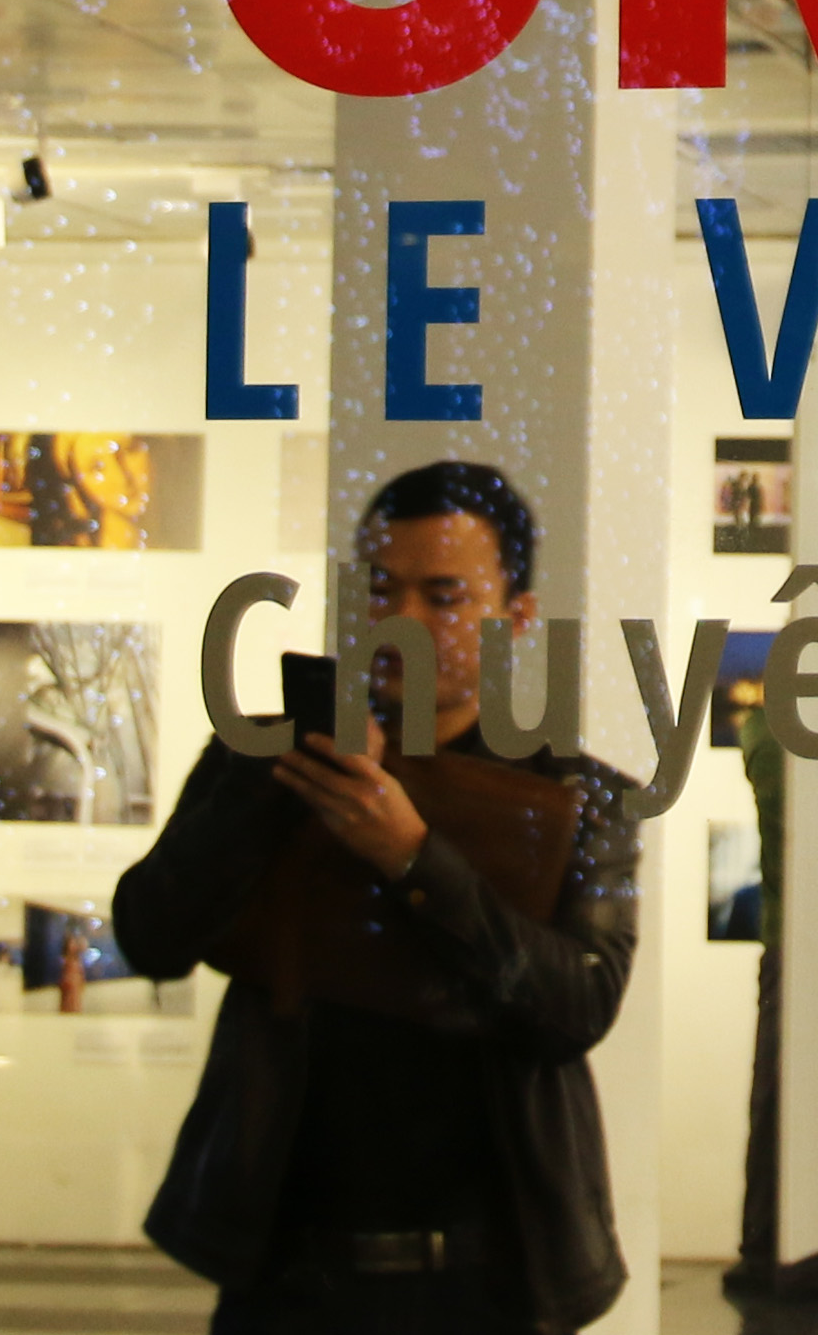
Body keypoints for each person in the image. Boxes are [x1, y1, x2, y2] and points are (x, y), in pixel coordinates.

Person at [115, 462, 641, 1335]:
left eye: (444, 597)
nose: (402, 621)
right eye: (379, 589)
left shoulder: (580, 798)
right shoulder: (264, 753)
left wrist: (413, 858)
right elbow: (150, 935)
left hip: (489, 1282)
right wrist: (275, 782)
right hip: (290, 1279)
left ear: (516, 617)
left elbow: (577, 1005)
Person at [725, 695, 818, 1311]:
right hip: (806, 941)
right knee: (802, 1104)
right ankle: (791, 1258)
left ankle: (771, 1253)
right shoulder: (786, 735)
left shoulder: (777, 731)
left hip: (800, 939)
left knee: (785, 1101)